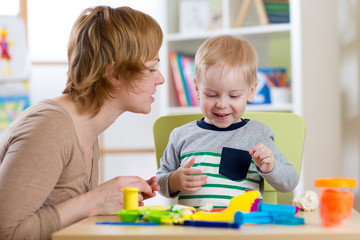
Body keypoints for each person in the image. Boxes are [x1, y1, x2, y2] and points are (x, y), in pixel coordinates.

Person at [0, 6, 164, 240]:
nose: (161, 78)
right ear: (115, 74)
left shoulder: (86, 127)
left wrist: (110, 202)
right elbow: (6, 232)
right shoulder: (48, 128)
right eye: (151, 68)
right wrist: (93, 201)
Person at [156, 35, 298, 209]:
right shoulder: (181, 135)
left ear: (251, 91)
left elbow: (290, 182)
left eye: (234, 96)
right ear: (197, 89)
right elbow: (159, 182)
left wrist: (270, 167)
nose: (222, 104)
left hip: (242, 227)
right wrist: (173, 181)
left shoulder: (258, 134)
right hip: (193, 228)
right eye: (211, 94)